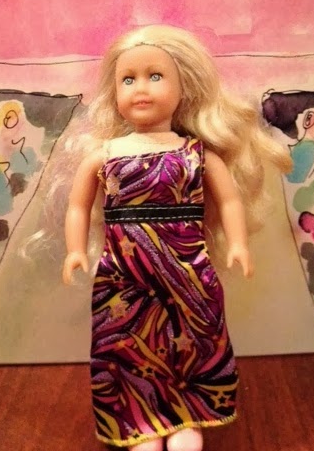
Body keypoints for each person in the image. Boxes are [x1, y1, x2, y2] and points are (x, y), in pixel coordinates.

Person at [62, 25, 291, 451]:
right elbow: (78, 206)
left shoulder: (196, 155)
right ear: (114, 93)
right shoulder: (104, 156)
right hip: (124, 276)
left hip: (188, 272)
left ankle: (187, 416)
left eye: (155, 76)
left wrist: (238, 244)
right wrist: (75, 250)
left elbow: (229, 202)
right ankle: (139, 418)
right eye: (128, 79)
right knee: (126, 345)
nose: (140, 88)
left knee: (193, 342)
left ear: (184, 88)